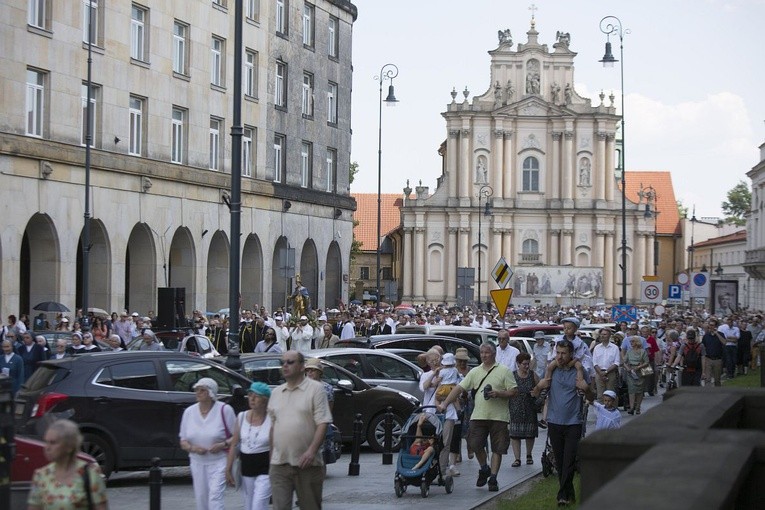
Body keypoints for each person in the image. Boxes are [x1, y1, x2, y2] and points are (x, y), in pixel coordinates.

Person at [438, 342, 518, 492]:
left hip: (499, 417)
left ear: (494, 354)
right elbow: (458, 388)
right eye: (482, 353)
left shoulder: (504, 370)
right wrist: (445, 404)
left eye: (487, 353)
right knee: (474, 443)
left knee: (497, 448)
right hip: (478, 415)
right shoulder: (475, 371)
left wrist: (498, 393)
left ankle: (493, 478)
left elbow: (513, 391)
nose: (484, 355)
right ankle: (484, 468)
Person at [268, 351, 332, 510]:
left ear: (302, 366)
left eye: (290, 362)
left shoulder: (316, 389)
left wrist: (311, 451)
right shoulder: (276, 392)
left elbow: (323, 422)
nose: (285, 365)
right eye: (282, 362)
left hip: (307, 464)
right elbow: (272, 426)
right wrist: (271, 456)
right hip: (280, 464)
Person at [533, 339, 591, 507]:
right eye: (557, 353)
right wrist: (539, 386)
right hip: (554, 421)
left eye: (563, 353)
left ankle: (561, 496)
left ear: (571, 354)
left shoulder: (580, 371)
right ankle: (569, 493)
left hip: (574, 422)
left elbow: (591, 396)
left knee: (569, 460)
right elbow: (537, 394)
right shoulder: (551, 370)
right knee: (559, 460)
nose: (559, 356)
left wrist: (586, 388)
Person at [179, 378, 236, 510]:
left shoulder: (224, 410)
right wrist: (193, 448)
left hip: (219, 461)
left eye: (202, 390)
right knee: (201, 498)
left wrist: (222, 444)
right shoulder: (189, 412)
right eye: (196, 390)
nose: (198, 393)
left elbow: (236, 436)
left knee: (215, 496)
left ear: (211, 393)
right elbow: (183, 441)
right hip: (197, 462)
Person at [27, 419, 108, 510]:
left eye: (53, 443)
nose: (47, 447)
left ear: (70, 446)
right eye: (46, 442)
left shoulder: (90, 475)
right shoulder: (41, 475)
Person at [227, 382, 272, 510]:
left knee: (259, 504)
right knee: (249, 504)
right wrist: (228, 469)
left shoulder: (272, 419)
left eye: (256, 396)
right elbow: (234, 444)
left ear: (265, 400)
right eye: (250, 394)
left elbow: (274, 448)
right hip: (247, 466)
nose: (252, 398)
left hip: (266, 467)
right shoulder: (241, 417)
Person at [508, 353, 539, 467]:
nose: (526, 366)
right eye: (524, 364)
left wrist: (536, 394)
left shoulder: (532, 375)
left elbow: (540, 388)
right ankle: (517, 458)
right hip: (515, 408)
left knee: (529, 433)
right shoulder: (513, 375)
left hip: (530, 407)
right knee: (515, 434)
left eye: (528, 364)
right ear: (518, 364)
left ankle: (529, 455)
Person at [592, 328, 621, 402]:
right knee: (600, 395)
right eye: (601, 334)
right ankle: (601, 412)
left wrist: (606, 372)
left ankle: (611, 412)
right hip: (599, 373)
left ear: (609, 336)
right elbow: (594, 362)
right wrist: (601, 373)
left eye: (605, 334)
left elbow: (616, 363)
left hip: (610, 373)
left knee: (611, 394)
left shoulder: (615, 348)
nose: (602, 336)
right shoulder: (597, 348)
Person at [623, 335, 649, 415]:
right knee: (631, 390)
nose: (631, 343)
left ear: (637, 342)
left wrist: (639, 367)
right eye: (630, 342)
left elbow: (646, 362)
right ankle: (631, 407)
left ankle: (638, 407)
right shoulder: (629, 351)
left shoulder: (642, 351)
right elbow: (624, 361)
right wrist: (627, 368)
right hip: (631, 372)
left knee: (640, 391)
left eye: (633, 341)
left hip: (640, 372)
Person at [701, 318, 725, 386]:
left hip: (718, 359)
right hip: (708, 359)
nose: (711, 327)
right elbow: (703, 347)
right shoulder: (706, 336)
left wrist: (716, 333)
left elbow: (724, 342)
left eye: (712, 325)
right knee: (707, 379)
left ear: (715, 326)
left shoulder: (721, 334)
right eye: (710, 325)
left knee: (717, 380)